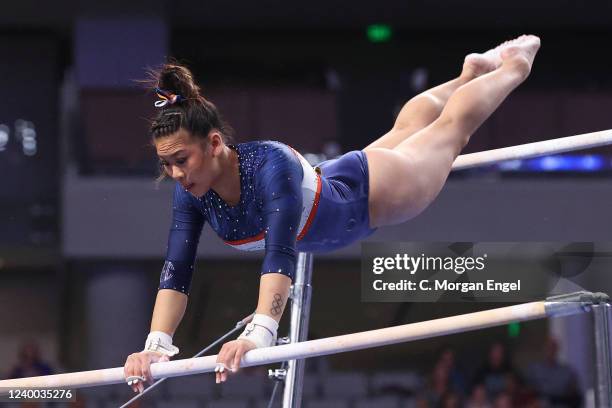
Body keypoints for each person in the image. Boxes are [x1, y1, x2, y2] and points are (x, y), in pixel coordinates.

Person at [123, 35, 541, 392]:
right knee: (408, 128)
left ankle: (514, 66)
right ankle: (468, 75)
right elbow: (177, 269)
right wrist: (155, 344)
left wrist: (261, 332)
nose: (175, 174)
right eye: (167, 165)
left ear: (214, 143)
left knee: (450, 130)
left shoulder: (271, 164)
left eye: (181, 159)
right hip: (336, 183)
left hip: (374, 195)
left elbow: (280, 253)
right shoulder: (192, 193)